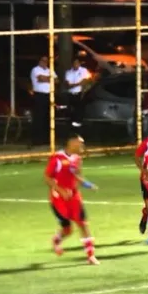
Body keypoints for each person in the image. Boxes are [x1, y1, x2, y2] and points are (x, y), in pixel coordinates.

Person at [44, 134, 99, 265]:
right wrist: (61, 190)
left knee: (83, 224)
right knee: (68, 230)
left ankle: (91, 256)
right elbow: (47, 177)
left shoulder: (77, 158)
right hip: (58, 199)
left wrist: (87, 184)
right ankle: (56, 240)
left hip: (74, 198)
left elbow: (76, 175)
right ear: (72, 143)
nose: (82, 146)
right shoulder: (57, 158)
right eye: (80, 143)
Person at [31, 56, 58, 146]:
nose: (45, 62)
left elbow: (57, 80)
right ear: (39, 61)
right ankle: (37, 139)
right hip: (39, 95)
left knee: (48, 117)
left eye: (47, 61)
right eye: (43, 60)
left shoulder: (49, 70)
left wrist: (46, 78)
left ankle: (47, 139)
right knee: (39, 117)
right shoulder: (35, 69)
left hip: (49, 95)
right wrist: (50, 79)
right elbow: (40, 79)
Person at [64, 57, 91, 129]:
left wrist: (75, 86)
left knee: (79, 112)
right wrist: (78, 84)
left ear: (79, 63)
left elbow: (84, 82)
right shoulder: (68, 72)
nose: (76, 64)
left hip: (79, 94)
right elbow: (68, 85)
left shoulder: (83, 70)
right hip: (71, 94)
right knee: (71, 112)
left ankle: (78, 128)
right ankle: (72, 128)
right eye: (74, 63)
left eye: (77, 63)